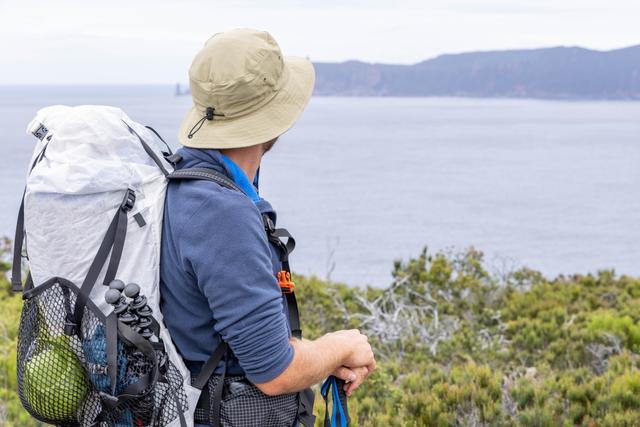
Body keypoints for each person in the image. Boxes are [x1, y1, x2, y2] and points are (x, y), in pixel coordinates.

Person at [160, 28, 376, 427]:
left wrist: (323, 358)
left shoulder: (182, 178)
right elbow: (275, 373)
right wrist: (341, 345)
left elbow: (235, 338)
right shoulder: (222, 214)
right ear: (271, 120)